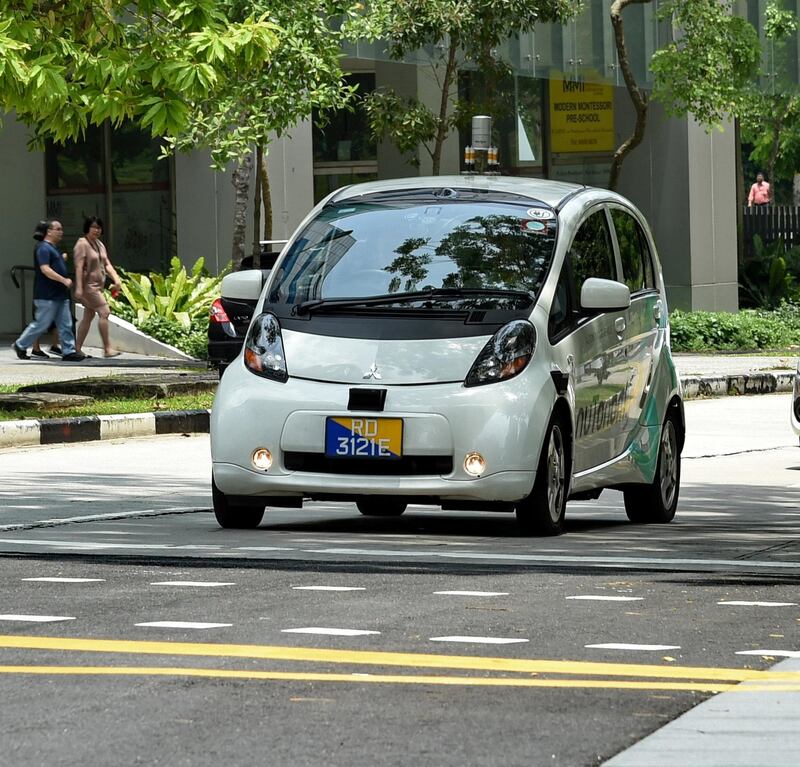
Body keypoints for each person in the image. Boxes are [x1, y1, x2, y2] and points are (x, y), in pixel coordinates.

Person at [12, 220, 85, 362]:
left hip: (60, 295)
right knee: (42, 324)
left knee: (66, 323)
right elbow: (45, 269)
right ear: (49, 232)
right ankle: (20, 344)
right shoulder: (43, 248)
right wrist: (63, 280)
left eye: (61, 229)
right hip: (47, 295)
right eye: (58, 229)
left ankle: (69, 351)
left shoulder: (53, 248)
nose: (61, 232)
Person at [73, 216, 122, 358]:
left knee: (88, 316)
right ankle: (107, 349)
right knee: (104, 312)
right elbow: (78, 266)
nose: (96, 230)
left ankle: (77, 348)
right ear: (87, 228)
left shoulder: (99, 245)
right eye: (93, 227)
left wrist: (117, 280)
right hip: (89, 287)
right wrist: (79, 288)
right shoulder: (82, 244)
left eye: (99, 227)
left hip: (98, 286)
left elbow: (107, 264)